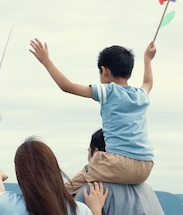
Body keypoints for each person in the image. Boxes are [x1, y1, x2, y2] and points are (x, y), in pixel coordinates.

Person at [29, 38, 157, 194]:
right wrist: (147, 59)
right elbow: (148, 82)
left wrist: (46, 61)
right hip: (145, 166)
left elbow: (67, 86)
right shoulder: (140, 95)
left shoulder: (109, 91)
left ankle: (56, 201)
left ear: (104, 71)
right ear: (129, 72)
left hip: (119, 164)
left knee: (67, 190)